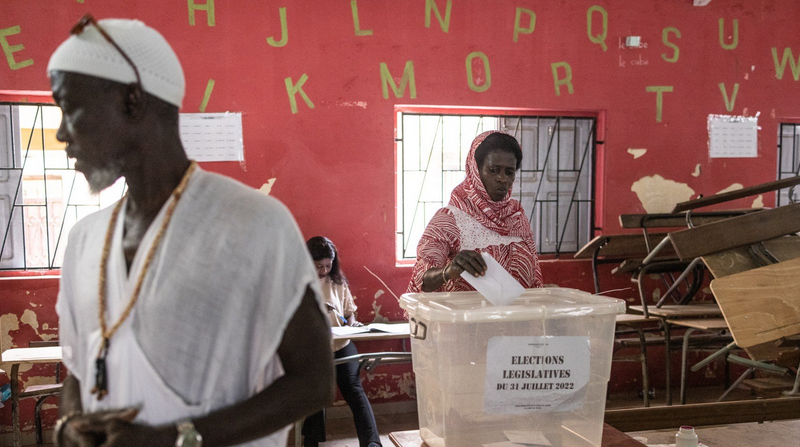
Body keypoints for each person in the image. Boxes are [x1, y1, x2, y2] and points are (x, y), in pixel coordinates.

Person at [49, 15, 334, 447]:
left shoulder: (254, 222)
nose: (61, 133)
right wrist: (70, 423)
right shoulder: (84, 239)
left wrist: (175, 439)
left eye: (70, 108)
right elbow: (81, 368)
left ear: (131, 100)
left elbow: (313, 382)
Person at [407, 130, 544, 293]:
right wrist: (449, 271)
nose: (502, 179)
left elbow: (534, 275)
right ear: (476, 170)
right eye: (493, 170)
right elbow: (422, 280)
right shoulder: (450, 219)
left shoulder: (516, 216)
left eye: (509, 172)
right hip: (465, 317)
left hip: (515, 316)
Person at [301, 237, 382, 447]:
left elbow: (349, 312)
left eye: (328, 265)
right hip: (314, 349)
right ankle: (311, 442)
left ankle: (372, 442)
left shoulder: (338, 282)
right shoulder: (297, 282)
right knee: (317, 393)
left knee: (354, 390)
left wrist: (352, 324)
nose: (324, 271)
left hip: (341, 344)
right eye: (319, 266)